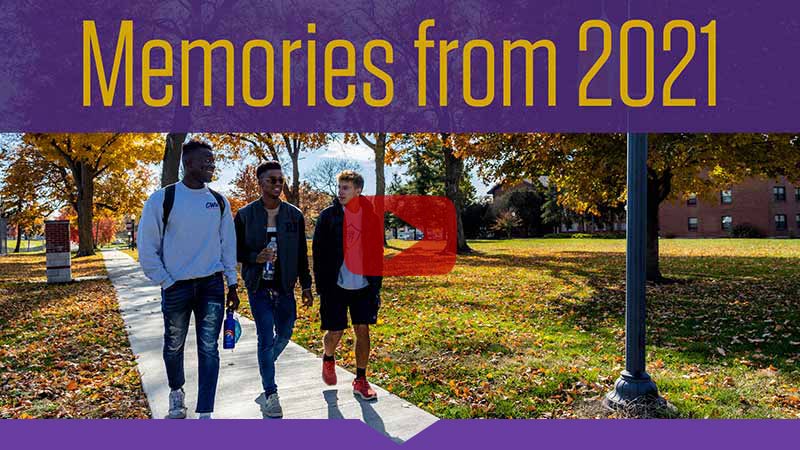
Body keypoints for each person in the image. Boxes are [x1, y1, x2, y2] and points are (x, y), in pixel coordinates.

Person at [137, 140, 239, 420]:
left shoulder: (218, 201)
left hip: (211, 286)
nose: (212, 164)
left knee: (209, 348)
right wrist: (165, 281)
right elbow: (147, 247)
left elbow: (227, 245)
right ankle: (176, 392)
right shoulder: (163, 199)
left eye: (213, 159)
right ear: (188, 163)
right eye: (206, 160)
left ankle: (205, 410)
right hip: (176, 287)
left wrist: (231, 283)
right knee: (174, 344)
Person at [234, 161, 313, 418]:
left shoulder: (294, 215)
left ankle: (265, 365)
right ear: (260, 183)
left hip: (285, 287)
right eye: (272, 180)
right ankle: (271, 392)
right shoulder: (245, 215)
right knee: (265, 338)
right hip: (258, 288)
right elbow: (234, 250)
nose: (278, 184)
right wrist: (255, 257)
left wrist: (307, 286)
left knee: (285, 333)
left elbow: (301, 253)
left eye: (280, 180)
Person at [313, 170, 383, 400]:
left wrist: (376, 288)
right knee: (335, 332)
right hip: (335, 285)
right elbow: (318, 253)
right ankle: (328, 357)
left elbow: (376, 254)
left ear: (358, 190)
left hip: (363, 285)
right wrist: (320, 286)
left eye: (346, 188)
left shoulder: (371, 217)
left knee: (363, 331)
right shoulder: (328, 216)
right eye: (340, 187)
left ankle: (361, 379)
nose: (340, 192)